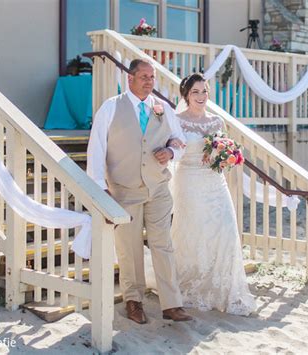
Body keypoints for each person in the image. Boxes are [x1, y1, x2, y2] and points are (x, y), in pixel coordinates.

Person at [86, 58, 193, 324]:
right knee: (129, 248)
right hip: (124, 190)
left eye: (152, 77)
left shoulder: (163, 108)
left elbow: (180, 141)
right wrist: (100, 188)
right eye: (144, 76)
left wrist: (170, 151)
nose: (149, 81)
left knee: (163, 245)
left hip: (158, 189)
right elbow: (96, 148)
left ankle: (171, 303)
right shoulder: (111, 108)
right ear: (130, 78)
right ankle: (133, 301)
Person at [170, 73, 256, 315]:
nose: (200, 96)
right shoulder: (177, 121)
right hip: (189, 181)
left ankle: (223, 285)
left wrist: (225, 155)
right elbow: (171, 149)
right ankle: (191, 281)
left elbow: (225, 151)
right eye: (195, 92)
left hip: (215, 181)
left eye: (204, 91)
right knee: (192, 232)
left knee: (226, 229)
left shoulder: (217, 122)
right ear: (186, 95)